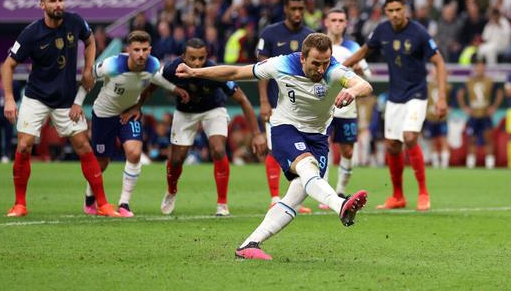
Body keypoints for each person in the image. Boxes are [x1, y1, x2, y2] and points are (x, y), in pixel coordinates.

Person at [175, 33, 372, 260]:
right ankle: (341, 205)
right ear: (302, 59)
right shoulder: (281, 64)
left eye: (325, 63)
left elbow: (363, 84)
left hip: (317, 138)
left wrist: (351, 91)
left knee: (295, 198)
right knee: (308, 167)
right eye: (315, 63)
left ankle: (249, 245)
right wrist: (195, 72)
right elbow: (235, 72)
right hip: (285, 129)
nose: (320, 69)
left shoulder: (333, 71)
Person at [2, 0, 119, 217]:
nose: (59, 5)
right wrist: (9, 99)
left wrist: (88, 69)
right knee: (24, 145)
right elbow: (8, 65)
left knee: (84, 146)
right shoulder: (31, 33)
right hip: (36, 98)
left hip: (66, 100)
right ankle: (20, 205)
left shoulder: (75, 21)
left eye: (61, 0)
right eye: (53, 1)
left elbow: (90, 40)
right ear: (42, 5)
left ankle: (103, 205)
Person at [136, 38, 266, 216]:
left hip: (213, 110)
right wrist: (137, 107)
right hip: (185, 112)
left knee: (218, 149)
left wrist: (257, 134)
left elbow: (243, 100)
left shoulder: (215, 72)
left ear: (207, 56)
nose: (197, 63)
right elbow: (152, 87)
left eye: (201, 58)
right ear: (183, 57)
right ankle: (171, 190)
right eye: (192, 58)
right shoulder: (171, 69)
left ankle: (222, 203)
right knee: (176, 159)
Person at [344, 0, 448, 211]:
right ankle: (398, 196)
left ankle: (423, 193)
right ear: (385, 12)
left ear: (405, 9)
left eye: (398, 9)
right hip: (395, 96)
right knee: (392, 145)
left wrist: (441, 98)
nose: (394, 14)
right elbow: (364, 51)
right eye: (390, 11)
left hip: (417, 94)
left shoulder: (418, 32)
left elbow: (439, 62)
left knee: (410, 138)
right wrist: (339, 68)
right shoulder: (381, 31)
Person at [80, 31, 186, 217]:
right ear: (128, 50)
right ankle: (90, 196)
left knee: (135, 153)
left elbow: (156, 77)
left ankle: (124, 203)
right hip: (104, 114)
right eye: (136, 50)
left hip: (129, 114)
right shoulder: (112, 65)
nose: (141, 54)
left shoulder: (152, 63)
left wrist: (175, 89)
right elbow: (88, 78)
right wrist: (76, 103)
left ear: (150, 50)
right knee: (102, 162)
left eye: (145, 49)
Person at [257, 0, 314, 213]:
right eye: (294, 9)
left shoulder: (310, 36)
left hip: (301, 106)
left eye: (301, 8)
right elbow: (262, 71)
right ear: (285, 9)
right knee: (274, 149)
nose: (298, 13)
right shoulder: (270, 33)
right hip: (275, 103)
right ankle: (274, 197)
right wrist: (263, 100)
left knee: (299, 152)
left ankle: (292, 199)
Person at [322, 7, 371, 200]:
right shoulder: (319, 44)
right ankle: (324, 192)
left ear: (346, 24)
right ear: (326, 22)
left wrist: (360, 71)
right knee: (321, 147)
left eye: (341, 20)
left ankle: (340, 190)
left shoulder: (353, 47)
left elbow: (368, 77)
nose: (337, 24)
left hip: (347, 107)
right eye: (333, 20)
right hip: (323, 106)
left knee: (348, 150)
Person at [457, 56, 503, 169]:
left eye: (481, 66)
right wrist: (465, 107)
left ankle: (490, 163)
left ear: (484, 67)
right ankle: (471, 163)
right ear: (475, 68)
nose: (479, 68)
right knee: (471, 139)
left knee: (488, 138)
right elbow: (460, 94)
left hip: (485, 114)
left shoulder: (489, 80)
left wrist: (494, 107)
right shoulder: (469, 81)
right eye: (477, 66)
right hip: (474, 115)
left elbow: (500, 93)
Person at [423, 73, 452, 168]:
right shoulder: (427, 87)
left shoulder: (445, 86)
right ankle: (435, 164)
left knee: (443, 139)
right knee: (432, 141)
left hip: (442, 118)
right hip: (430, 117)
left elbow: (451, 99)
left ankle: (444, 164)